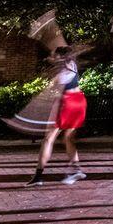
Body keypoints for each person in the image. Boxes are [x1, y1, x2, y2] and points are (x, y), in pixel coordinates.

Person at [25, 46, 87, 186]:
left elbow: (54, 89)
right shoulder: (72, 65)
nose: (52, 57)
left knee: (48, 139)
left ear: (60, 57)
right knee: (68, 137)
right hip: (79, 100)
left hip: (66, 102)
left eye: (55, 55)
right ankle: (76, 169)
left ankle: (38, 176)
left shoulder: (60, 72)